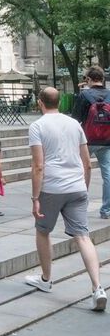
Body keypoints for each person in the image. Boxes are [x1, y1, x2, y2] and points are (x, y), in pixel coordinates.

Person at [25, 86, 106, 311]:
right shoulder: (74, 124)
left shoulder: (37, 126)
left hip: (52, 187)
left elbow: (38, 165)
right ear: (59, 102)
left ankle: (46, 278)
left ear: (40, 102)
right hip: (77, 186)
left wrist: (35, 198)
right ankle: (98, 287)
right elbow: (87, 162)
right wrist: (84, 188)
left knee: (43, 231)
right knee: (83, 236)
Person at [73, 66, 110, 220]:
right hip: (107, 141)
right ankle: (106, 210)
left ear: (88, 79)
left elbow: (75, 119)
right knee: (108, 174)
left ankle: (79, 208)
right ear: (102, 79)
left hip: (87, 141)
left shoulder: (84, 95)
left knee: (80, 173)